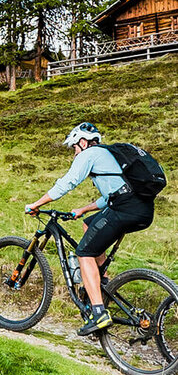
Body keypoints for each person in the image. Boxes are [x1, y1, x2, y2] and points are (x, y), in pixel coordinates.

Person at [24, 121, 155, 336]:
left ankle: (99, 313)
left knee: (84, 252)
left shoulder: (89, 154)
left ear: (82, 142)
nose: (74, 152)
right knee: (89, 225)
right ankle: (102, 283)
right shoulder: (109, 155)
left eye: (74, 147)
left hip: (124, 209)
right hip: (142, 210)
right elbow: (112, 195)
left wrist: (36, 204)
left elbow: (67, 182)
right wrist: (83, 210)